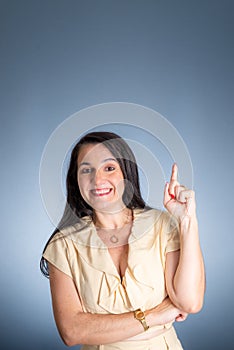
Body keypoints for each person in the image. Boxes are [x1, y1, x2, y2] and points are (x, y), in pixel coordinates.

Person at [40, 131, 205, 349]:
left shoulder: (161, 225)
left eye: (109, 168)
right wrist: (155, 316)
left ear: (126, 173)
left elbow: (189, 302)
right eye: (86, 170)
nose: (97, 179)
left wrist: (187, 221)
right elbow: (72, 331)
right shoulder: (63, 244)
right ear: (76, 179)